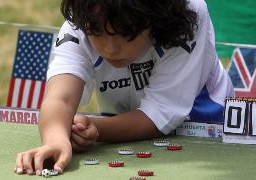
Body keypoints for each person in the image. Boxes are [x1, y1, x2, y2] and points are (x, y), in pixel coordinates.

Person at [14, 0, 234, 176]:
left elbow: (160, 113)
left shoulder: (188, 13)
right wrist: (57, 139)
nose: (110, 48)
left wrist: (98, 129)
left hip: (207, 122)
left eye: (126, 32)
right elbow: (59, 98)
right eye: (97, 32)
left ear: (153, 18)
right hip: (126, 128)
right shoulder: (80, 21)